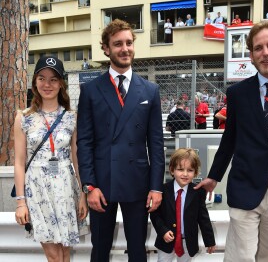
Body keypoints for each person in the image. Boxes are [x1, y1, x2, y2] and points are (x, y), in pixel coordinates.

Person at [196, 20, 268, 262]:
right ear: (251, 56)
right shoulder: (238, 94)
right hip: (245, 187)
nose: (265, 53)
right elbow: (230, 138)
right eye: (258, 48)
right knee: (240, 257)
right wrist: (214, 176)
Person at [76, 19, 165, 262]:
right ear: (106, 49)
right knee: (100, 248)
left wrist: (156, 186)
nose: (124, 49)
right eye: (117, 44)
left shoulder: (149, 90)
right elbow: (84, 142)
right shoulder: (91, 90)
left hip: (138, 183)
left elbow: (156, 143)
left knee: (137, 249)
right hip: (101, 184)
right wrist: (89, 186)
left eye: (128, 43)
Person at [14, 56, 89, 261]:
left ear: (61, 83)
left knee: (64, 251)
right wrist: (21, 202)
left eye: (53, 79)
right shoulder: (23, 117)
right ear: (35, 82)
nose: (47, 84)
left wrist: (83, 193)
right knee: (54, 254)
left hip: (66, 188)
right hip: (37, 189)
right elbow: (19, 163)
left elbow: (77, 159)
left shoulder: (72, 117)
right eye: (42, 78)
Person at [150, 148, 216, 261]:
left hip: (188, 242)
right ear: (172, 170)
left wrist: (209, 241)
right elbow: (155, 215)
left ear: (195, 172)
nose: (185, 174)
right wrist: (163, 231)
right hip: (166, 240)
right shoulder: (163, 190)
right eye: (180, 169)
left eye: (190, 170)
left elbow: (203, 217)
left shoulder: (198, 192)